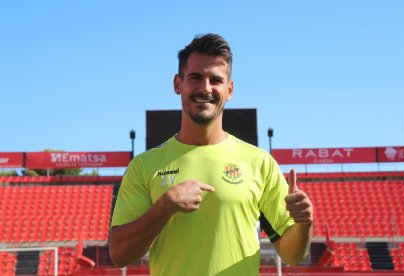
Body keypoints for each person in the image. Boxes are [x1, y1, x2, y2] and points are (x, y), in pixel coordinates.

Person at [109, 33, 313, 275]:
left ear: (229, 90)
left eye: (216, 80)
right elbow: (119, 254)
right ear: (178, 84)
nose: (205, 88)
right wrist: (164, 207)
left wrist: (303, 224)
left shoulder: (259, 163)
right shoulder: (144, 166)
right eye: (195, 77)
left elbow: (292, 254)